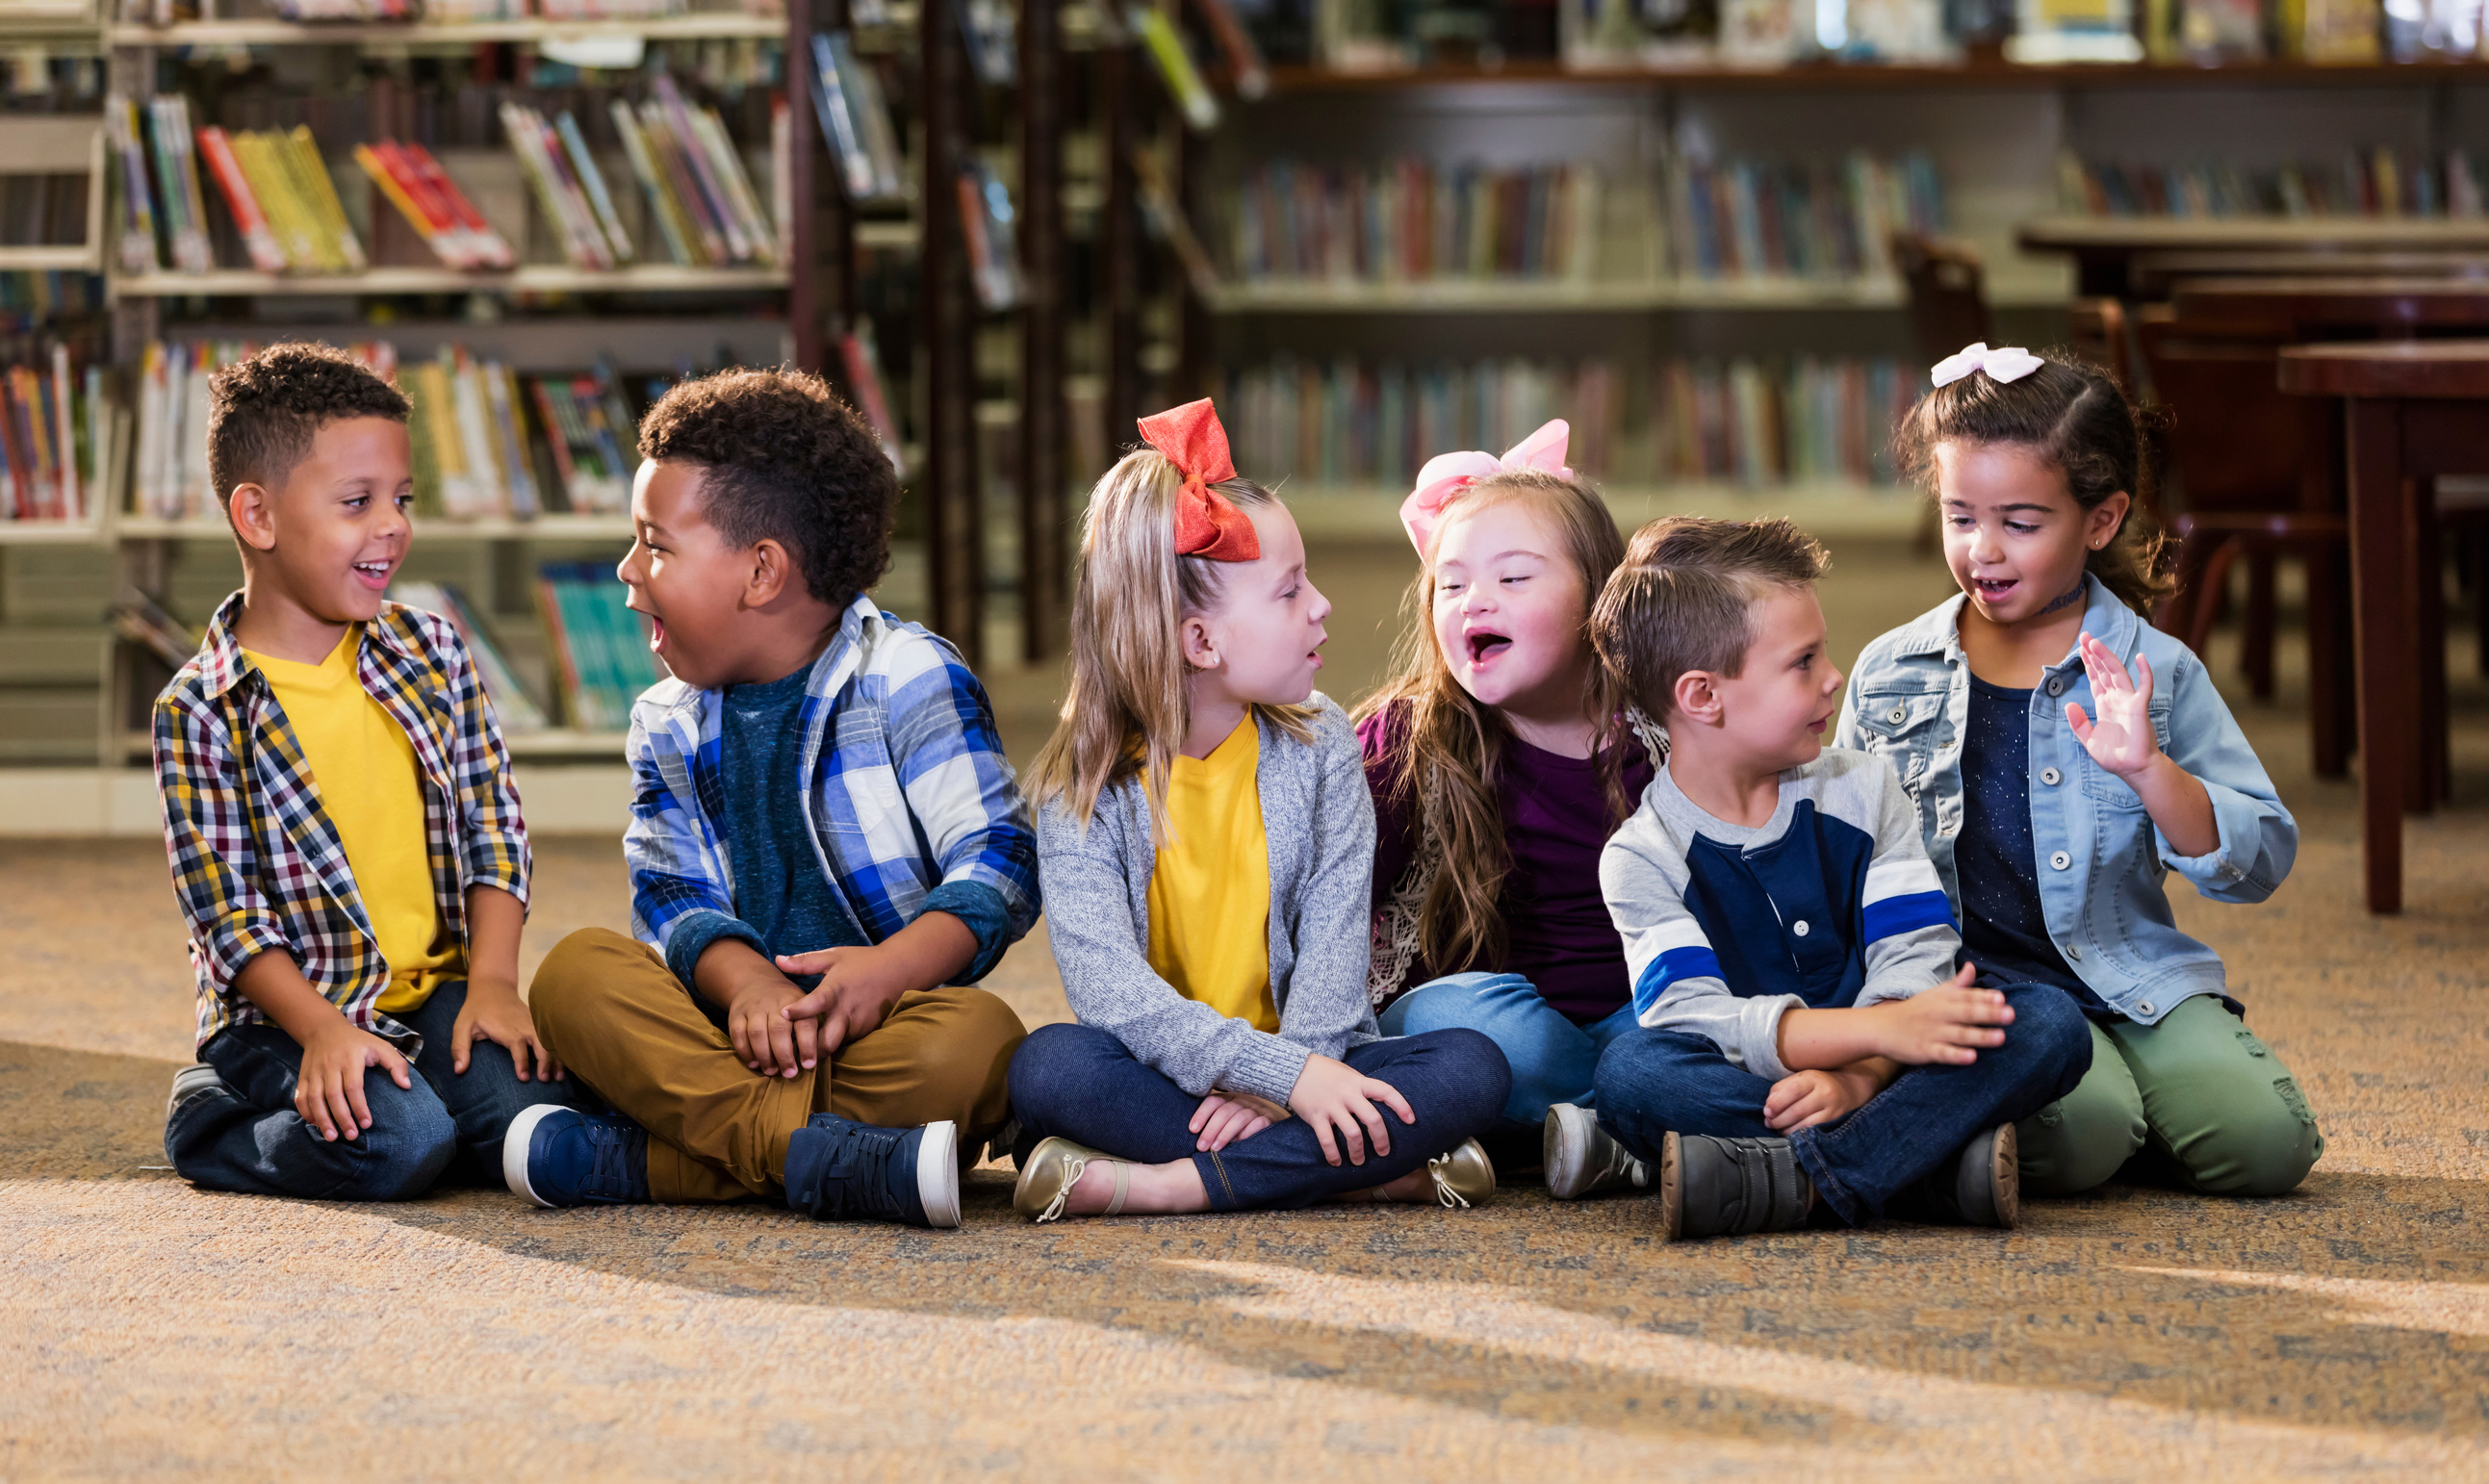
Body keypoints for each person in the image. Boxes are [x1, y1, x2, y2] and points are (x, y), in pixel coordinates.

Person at [505, 368, 1038, 1229]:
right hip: (723, 1031)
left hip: (872, 1031)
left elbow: (1001, 860)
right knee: (575, 977)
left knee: (982, 1046)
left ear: (762, 573)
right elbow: (672, 894)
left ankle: (652, 1162)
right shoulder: (665, 722)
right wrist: (746, 981)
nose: (627, 569)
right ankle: (823, 1159)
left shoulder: (908, 677)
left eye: (656, 544)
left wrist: (886, 971)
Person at [1006, 398, 1511, 1221]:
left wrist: (1294, 1076)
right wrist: (1287, 1086)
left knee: (1472, 1066)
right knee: (1050, 1068)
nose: (1322, 606)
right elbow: (1114, 999)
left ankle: (1173, 1185)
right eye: (1289, 592)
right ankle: (1359, 1172)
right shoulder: (1077, 790)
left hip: (1318, 1059)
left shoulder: (1324, 744)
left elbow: (1336, 950)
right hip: (1173, 1074)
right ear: (1200, 642)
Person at [1838, 344, 2321, 1199]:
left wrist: (2150, 773)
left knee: (2266, 1147)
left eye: (2020, 524)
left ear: (2100, 521)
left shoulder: (2157, 670)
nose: (1983, 550)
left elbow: (2263, 858)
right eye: (1960, 517)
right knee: (2087, 1138)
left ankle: (2011, 1123)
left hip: (2126, 971)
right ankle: (2061, 1113)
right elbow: (1841, 855)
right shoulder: (1889, 670)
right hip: (1978, 992)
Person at [1569, 516, 2093, 1240]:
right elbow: (1694, 1017)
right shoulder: (1641, 856)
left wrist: (1864, 1073)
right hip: (1766, 1072)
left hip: (1893, 1056)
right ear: (1702, 697)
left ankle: (1799, 1178)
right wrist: (1873, 1036)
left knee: (2049, 1024)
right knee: (1632, 1077)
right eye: (1803, 662)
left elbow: (1916, 957)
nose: (1834, 677)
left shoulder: (1865, 788)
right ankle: (1921, 1164)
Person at [158, 342, 586, 1200]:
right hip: (283, 1015)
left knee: (541, 1116)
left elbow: (494, 827)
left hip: (430, 993)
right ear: (258, 516)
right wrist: (320, 1031)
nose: (391, 525)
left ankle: (417, 1082)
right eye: (357, 502)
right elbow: (227, 919)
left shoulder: (429, 650)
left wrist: (495, 984)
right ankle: (212, 1119)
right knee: (403, 1147)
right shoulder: (200, 708)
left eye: (402, 498)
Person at [1351, 422, 1662, 1192]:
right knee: (1470, 1026)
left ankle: (1607, 1122)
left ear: (1601, 598)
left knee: (1691, 1029)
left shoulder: (1664, 736)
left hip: (1636, 1016)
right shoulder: (1403, 740)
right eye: (1450, 585)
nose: (1474, 601)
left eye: (1514, 580)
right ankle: (1644, 1121)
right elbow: (1324, 902)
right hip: (1487, 1030)